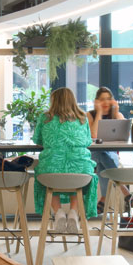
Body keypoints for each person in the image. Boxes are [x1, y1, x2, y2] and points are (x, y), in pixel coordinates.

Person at [33, 87, 98, 233]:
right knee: (75, 175)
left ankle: (58, 212)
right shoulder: (82, 118)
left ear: (54, 101)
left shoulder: (45, 118)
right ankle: (74, 212)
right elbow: (88, 141)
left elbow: (37, 140)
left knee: (49, 174)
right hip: (81, 172)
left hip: (50, 172)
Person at [88, 87, 133, 213]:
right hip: (92, 158)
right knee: (100, 153)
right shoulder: (90, 115)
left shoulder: (117, 115)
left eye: (108, 99)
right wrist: (99, 113)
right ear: (97, 101)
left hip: (111, 157)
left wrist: (116, 113)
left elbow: (126, 136)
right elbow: (94, 136)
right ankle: (126, 193)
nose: (105, 102)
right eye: (102, 99)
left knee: (103, 158)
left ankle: (104, 199)